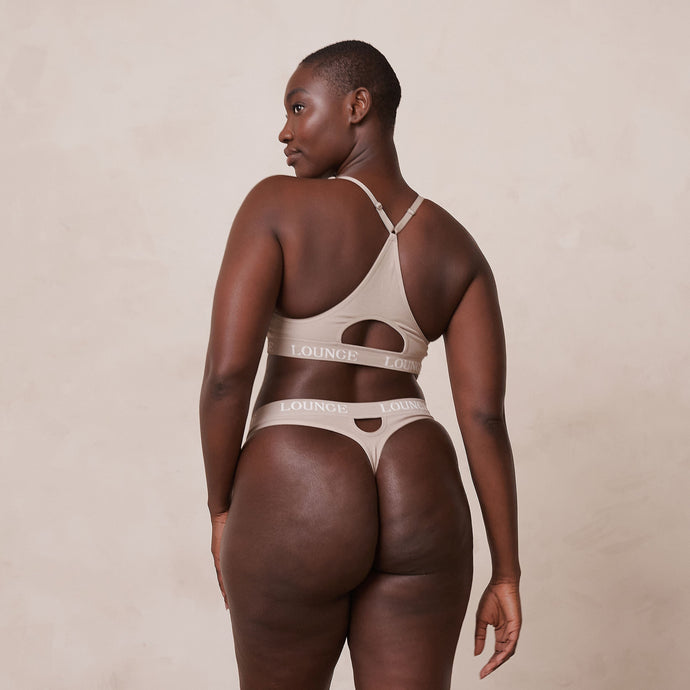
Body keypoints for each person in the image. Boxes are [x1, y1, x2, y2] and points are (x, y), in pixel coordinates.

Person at [200, 40, 521, 689]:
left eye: (298, 107)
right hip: (420, 479)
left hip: (298, 481)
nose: (284, 132)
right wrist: (507, 572)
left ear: (357, 105)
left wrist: (220, 508)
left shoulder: (276, 206)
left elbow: (227, 379)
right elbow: (484, 418)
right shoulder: (457, 246)